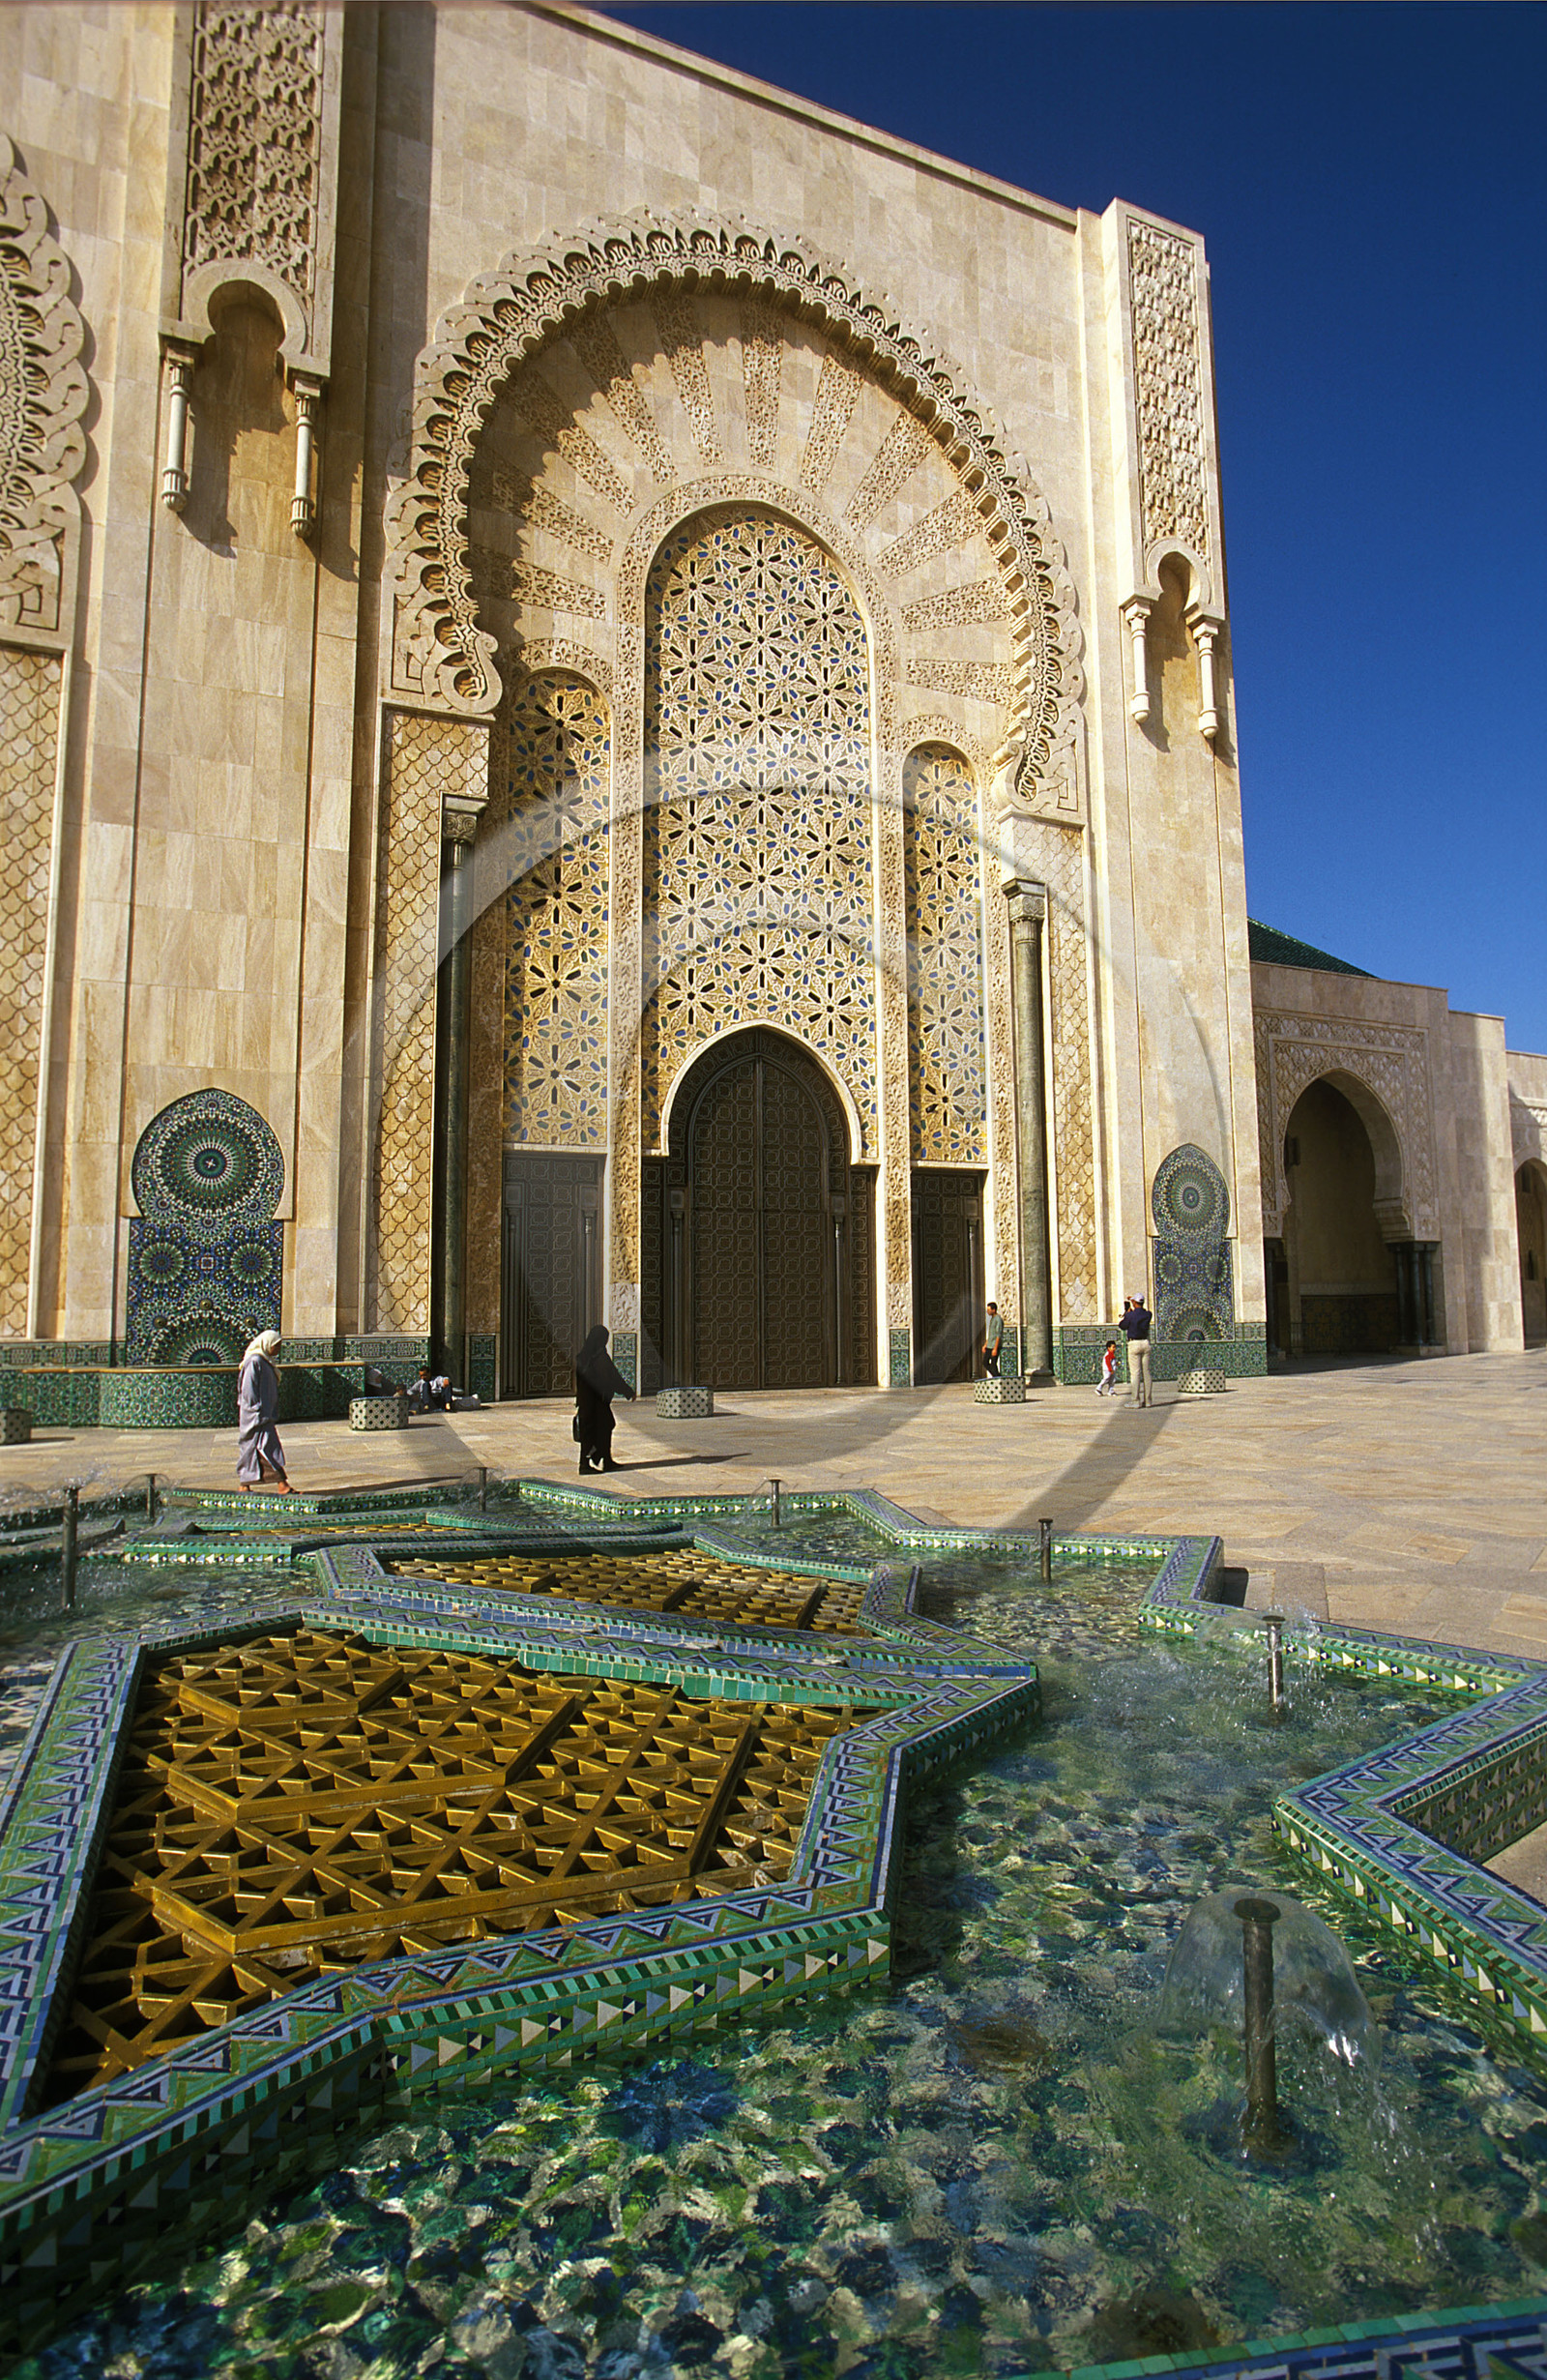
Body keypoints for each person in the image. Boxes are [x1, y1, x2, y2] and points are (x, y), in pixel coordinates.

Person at [575, 1324, 635, 1474]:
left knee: (599, 1429)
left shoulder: (583, 1357)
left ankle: (604, 1460)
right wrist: (627, 1392)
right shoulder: (599, 1357)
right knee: (599, 1429)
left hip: (586, 1402)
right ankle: (586, 1464)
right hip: (596, 1403)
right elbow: (613, 1377)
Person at [236, 1330, 291, 1492]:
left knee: (258, 1448)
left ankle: (244, 1484)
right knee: (266, 1448)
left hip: (264, 1416)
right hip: (256, 1416)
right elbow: (248, 1390)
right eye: (277, 1346)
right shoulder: (254, 1362)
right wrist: (255, 1410)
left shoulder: (264, 1361)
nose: (278, 1349)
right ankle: (282, 1484)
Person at [1119, 1294, 1154, 1408]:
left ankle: (1135, 1401)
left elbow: (1122, 1326)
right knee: (1146, 1373)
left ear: (1134, 1303)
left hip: (1134, 1344)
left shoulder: (1131, 1315)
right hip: (1145, 1343)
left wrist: (1127, 1314)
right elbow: (1142, 1314)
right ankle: (1148, 1401)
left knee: (1135, 1373)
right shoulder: (1148, 1314)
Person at [982, 1302, 1004, 1378]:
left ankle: (998, 1378)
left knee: (993, 1363)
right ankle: (997, 1376)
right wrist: (986, 1344)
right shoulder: (992, 1319)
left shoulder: (998, 1319)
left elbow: (998, 1335)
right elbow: (991, 1334)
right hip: (990, 1345)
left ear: (994, 1310)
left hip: (995, 1345)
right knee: (985, 1362)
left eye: (989, 1310)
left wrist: (995, 1348)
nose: (987, 1312)